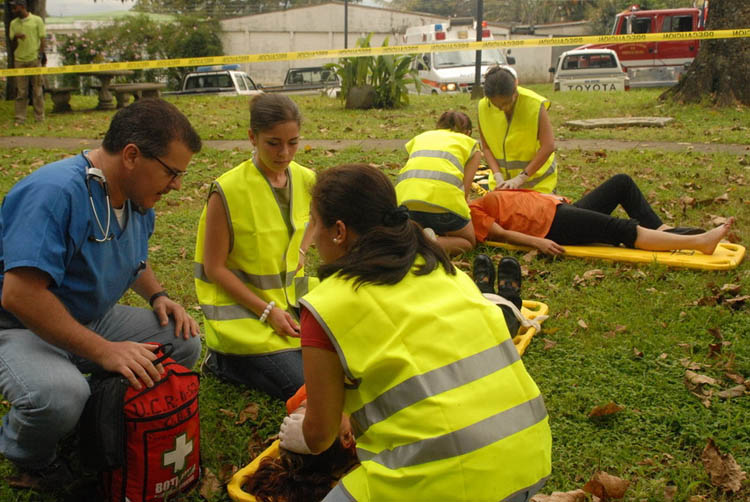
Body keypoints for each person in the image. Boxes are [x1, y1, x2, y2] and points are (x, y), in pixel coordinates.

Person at [278, 164, 552, 501]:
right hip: (528, 456)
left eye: (314, 222)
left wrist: (300, 435)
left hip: (448, 482)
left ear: (338, 231)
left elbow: (320, 436)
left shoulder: (325, 306)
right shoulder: (445, 272)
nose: (313, 233)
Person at [0, 98, 203, 491]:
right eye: (173, 172)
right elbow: (20, 296)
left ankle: (98, 413)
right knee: (59, 396)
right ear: (131, 155)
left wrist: (158, 295)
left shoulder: (138, 197)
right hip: (20, 328)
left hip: (89, 317)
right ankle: (31, 458)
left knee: (182, 340)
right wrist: (103, 350)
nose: (177, 184)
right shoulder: (54, 192)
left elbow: (133, 256)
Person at [194, 94, 317, 401]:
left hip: (291, 306)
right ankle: (224, 362)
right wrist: (267, 312)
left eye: (293, 142)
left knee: (343, 367)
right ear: (252, 137)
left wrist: (302, 250)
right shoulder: (228, 190)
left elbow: (317, 217)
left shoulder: (305, 179)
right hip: (246, 320)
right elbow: (214, 268)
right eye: (273, 143)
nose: (284, 152)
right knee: (309, 390)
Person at [470, 173, 734, 255]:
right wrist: (537, 242)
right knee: (619, 229)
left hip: (560, 209)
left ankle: (661, 231)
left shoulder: (480, 195)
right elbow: (501, 234)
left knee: (621, 183)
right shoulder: (470, 211)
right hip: (552, 226)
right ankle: (700, 243)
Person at [395, 110, 482, 254]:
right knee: (468, 242)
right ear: (468, 132)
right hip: (444, 208)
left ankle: (411, 237)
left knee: (419, 222)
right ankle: (429, 242)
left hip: (405, 204)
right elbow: (464, 192)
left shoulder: (420, 138)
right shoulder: (471, 144)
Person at [478, 65, 558, 193]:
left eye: (506, 103)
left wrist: (521, 178)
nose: (503, 108)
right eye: (496, 105)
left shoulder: (535, 104)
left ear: (515, 90)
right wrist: (497, 176)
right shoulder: (483, 107)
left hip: (537, 184)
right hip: (502, 185)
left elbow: (548, 146)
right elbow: (486, 147)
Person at [9, 0, 46, 125]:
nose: (13, 10)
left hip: (34, 59)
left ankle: (39, 118)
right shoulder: (13, 23)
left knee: (37, 90)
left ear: (22, 7)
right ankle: (20, 118)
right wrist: (16, 38)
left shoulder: (37, 20)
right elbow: (12, 45)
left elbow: (42, 39)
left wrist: (40, 55)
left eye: (15, 7)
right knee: (21, 92)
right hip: (19, 60)